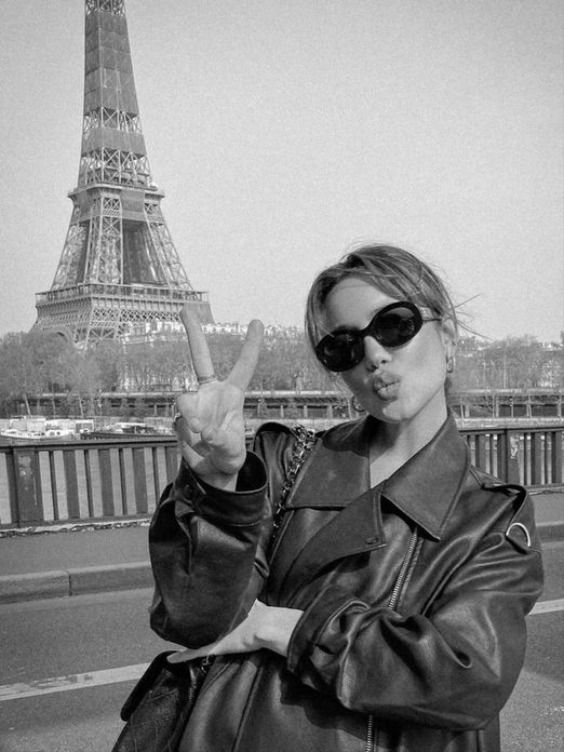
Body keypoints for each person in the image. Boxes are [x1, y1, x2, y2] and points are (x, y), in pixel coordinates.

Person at [148, 244, 543, 752]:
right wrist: (220, 485)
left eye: (395, 326)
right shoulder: (281, 461)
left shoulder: (490, 516)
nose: (374, 355)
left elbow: (468, 679)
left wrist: (284, 627)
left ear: (447, 339)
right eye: (345, 346)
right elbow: (193, 621)